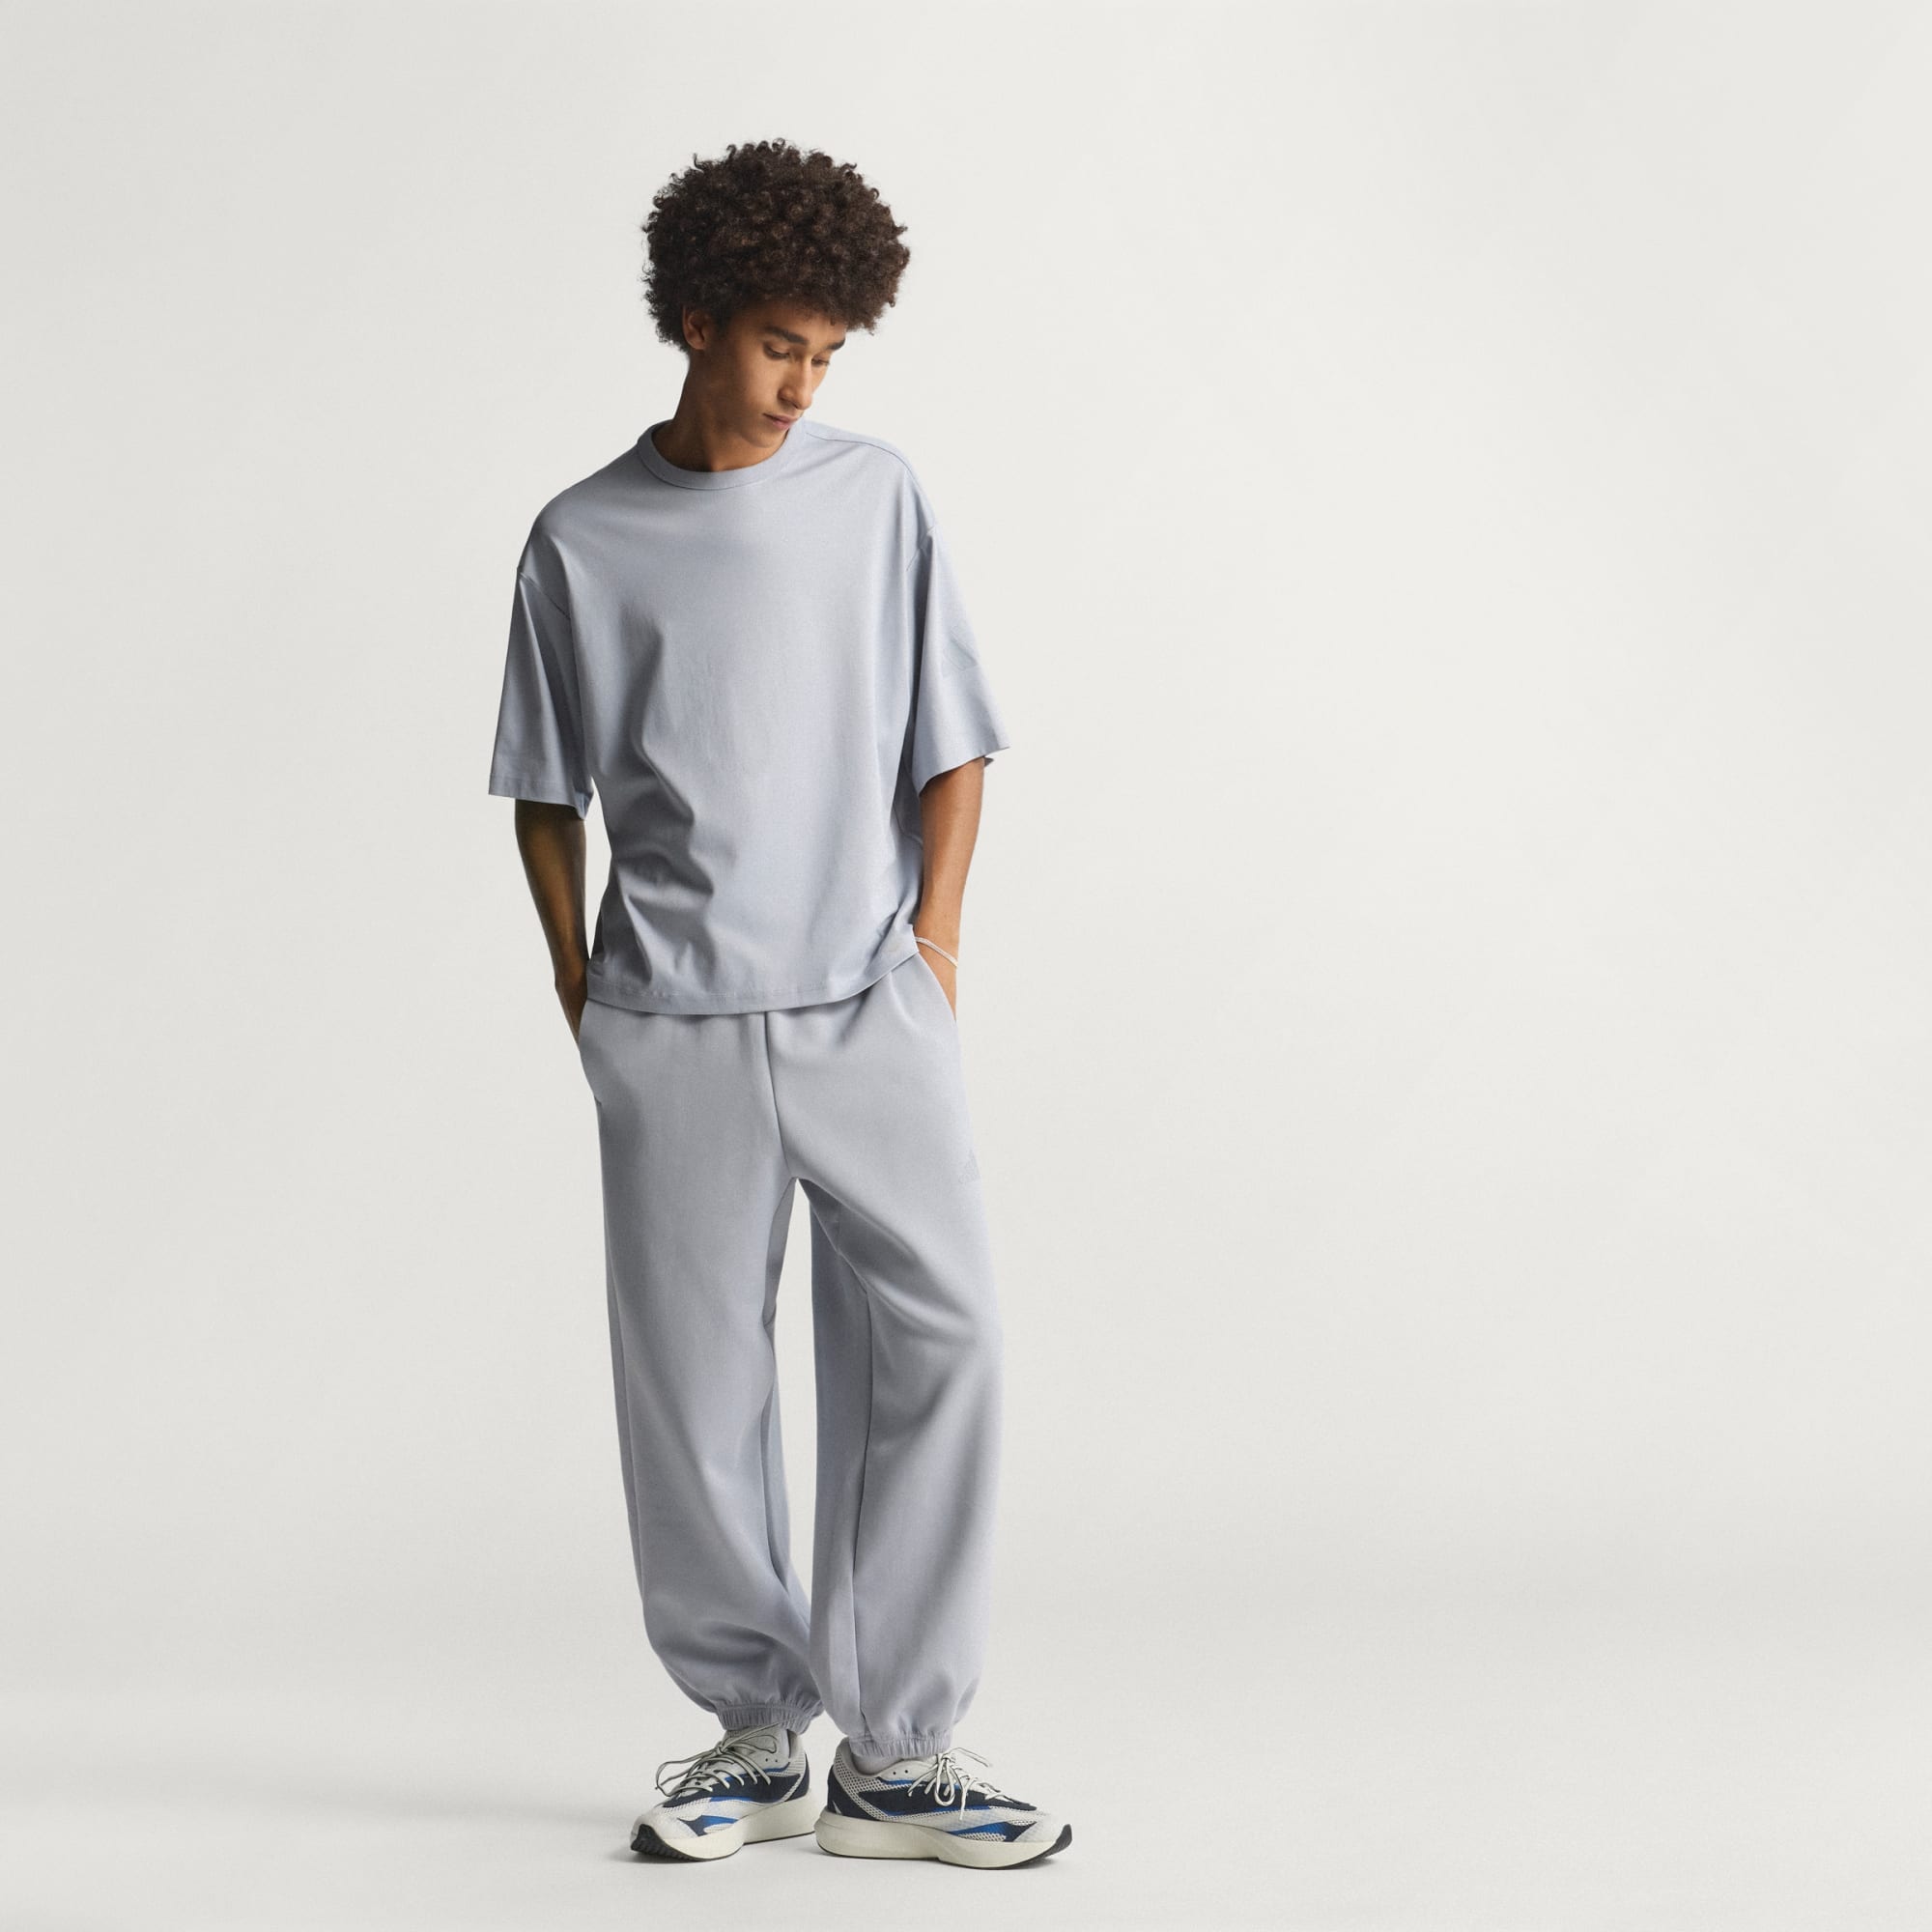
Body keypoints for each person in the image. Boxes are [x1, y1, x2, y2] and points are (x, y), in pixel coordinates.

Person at [485, 138, 1070, 1871]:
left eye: (828, 352)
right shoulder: (581, 539)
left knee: (940, 1338)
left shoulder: (876, 500)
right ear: (695, 321)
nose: (806, 384)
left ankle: (902, 1752)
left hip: (867, 1000)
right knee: (693, 1387)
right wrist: (581, 985)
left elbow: (952, 742)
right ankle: (754, 1731)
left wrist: (936, 948)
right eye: (778, 346)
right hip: (669, 1021)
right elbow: (543, 789)